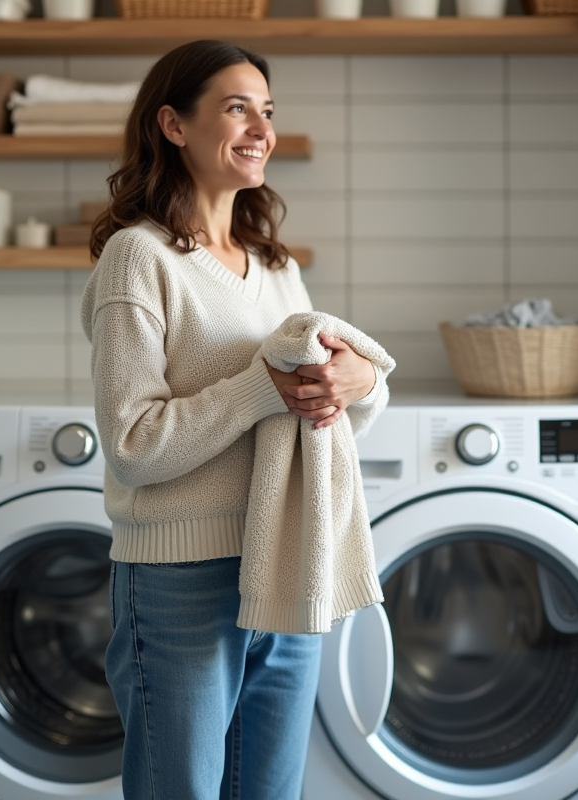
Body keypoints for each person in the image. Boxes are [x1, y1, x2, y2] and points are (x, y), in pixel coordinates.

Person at [80, 40, 389, 799]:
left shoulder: (275, 266)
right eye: (236, 107)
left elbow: (321, 409)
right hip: (178, 582)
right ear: (174, 126)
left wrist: (361, 383)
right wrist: (261, 389)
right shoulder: (138, 258)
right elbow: (131, 445)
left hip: (286, 562)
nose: (261, 128)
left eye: (268, 110)